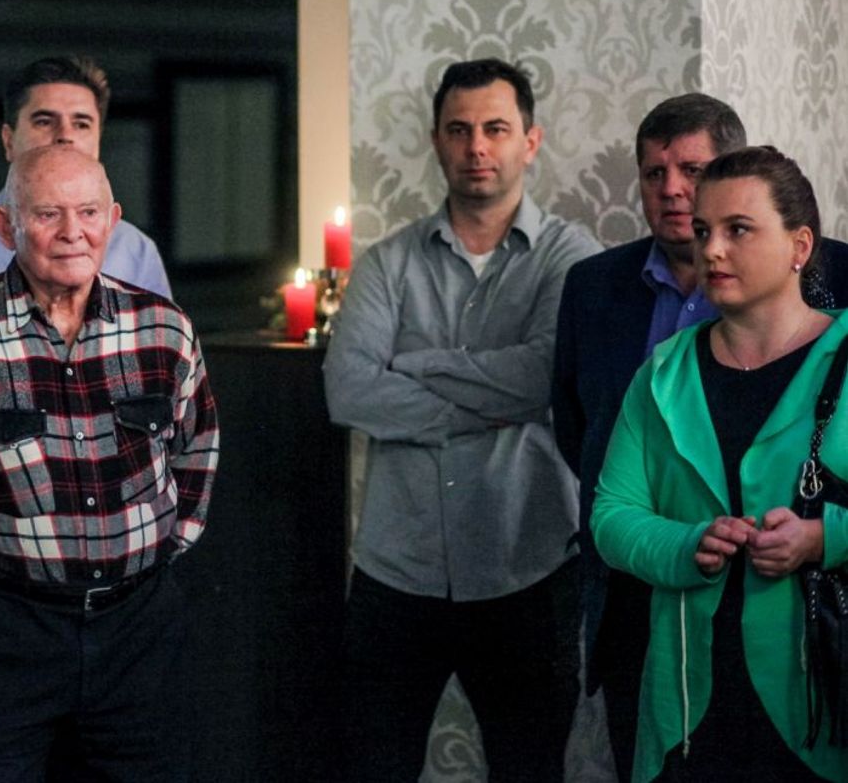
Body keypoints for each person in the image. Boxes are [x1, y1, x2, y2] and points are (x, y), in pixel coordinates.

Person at [0, 146, 218, 781]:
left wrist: (156, 557)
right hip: (4, 635)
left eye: (89, 212)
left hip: (138, 631)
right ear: (6, 226)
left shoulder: (165, 330)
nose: (73, 232)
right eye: (47, 214)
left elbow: (197, 451)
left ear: (112, 220)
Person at [553, 94, 848, 781]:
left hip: (824, 690)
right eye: (707, 230)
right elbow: (609, 510)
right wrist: (687, 544)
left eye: (738, 230)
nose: (711, 248)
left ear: (800, 246)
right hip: (684, 695)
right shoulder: (663, 371)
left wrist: (821, 538)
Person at [324, 57, 598, 781]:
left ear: (530, 142)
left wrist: (415, 364)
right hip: (397, 571)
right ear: (437, 141)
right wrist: (494, 399)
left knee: (529, 772)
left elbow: (543, 379)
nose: (477, 146)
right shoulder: (387, 263)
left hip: (526, 564)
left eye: (496, 129)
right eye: (459, 130)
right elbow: (348, 392)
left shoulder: (572, 260)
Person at [0, 55, 169, 363]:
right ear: (8, 141)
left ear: (98, 141)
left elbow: (163, 370)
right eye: (43, 121)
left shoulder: (137, 251)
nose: (65, 136)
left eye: (81, 123)